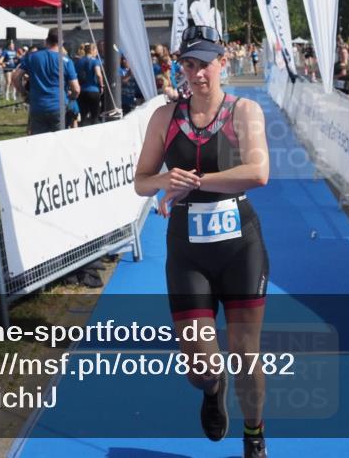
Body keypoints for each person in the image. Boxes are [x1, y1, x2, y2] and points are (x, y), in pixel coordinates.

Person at [134, 25, 271, 458]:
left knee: (246, 353)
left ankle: (254, 434)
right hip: (188, 250)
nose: (196, 74)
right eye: (188, 65)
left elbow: (258, 172)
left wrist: (192, 184)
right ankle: (213, 390)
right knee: (199, 365)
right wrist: (163, 180)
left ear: (222, 63)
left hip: (239, 246)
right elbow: (141, 182)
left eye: (204, 64)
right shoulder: (165, 117)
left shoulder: (243, 111)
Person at [12, 30, 80, 135]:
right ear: (61, 42)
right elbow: (76, 89)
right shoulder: (66, 60)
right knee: (59, 142)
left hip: (37, 106)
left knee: (39, 143)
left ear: (46, 41)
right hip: (59, 106)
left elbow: (16, 77)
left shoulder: (32, 57)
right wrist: (71, 97)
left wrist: (23, 92)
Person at [75, 43, 105, 127]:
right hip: (93, 91)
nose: (97, 52)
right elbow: (98, 75)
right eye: (96, 50)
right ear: (93, 50)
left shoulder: (79, 61)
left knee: (83, 115)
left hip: (82, 91)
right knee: (94, 116)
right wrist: (101, 85)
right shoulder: (95, 61)